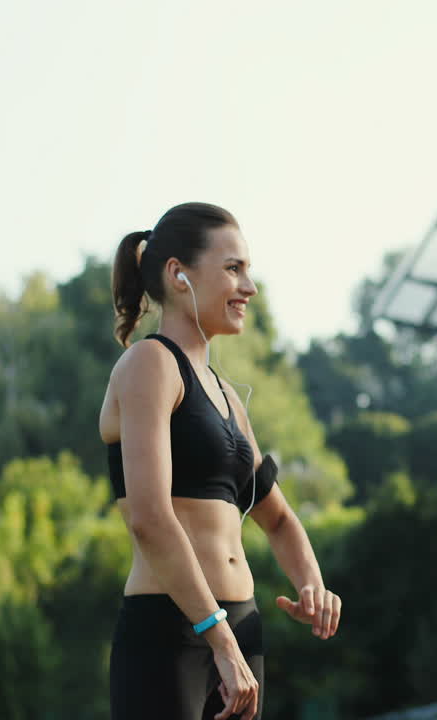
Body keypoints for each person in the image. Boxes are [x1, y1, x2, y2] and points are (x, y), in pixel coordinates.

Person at [99, 202, 341, 720]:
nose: (249, 287)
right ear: (178, 274)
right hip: (173, 634)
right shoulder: (150, 364)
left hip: (240, 631)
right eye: (233, 269)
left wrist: (311, 582)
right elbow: (149, 518)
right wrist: (218, 636)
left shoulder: (229, 397)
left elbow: (278, 518)